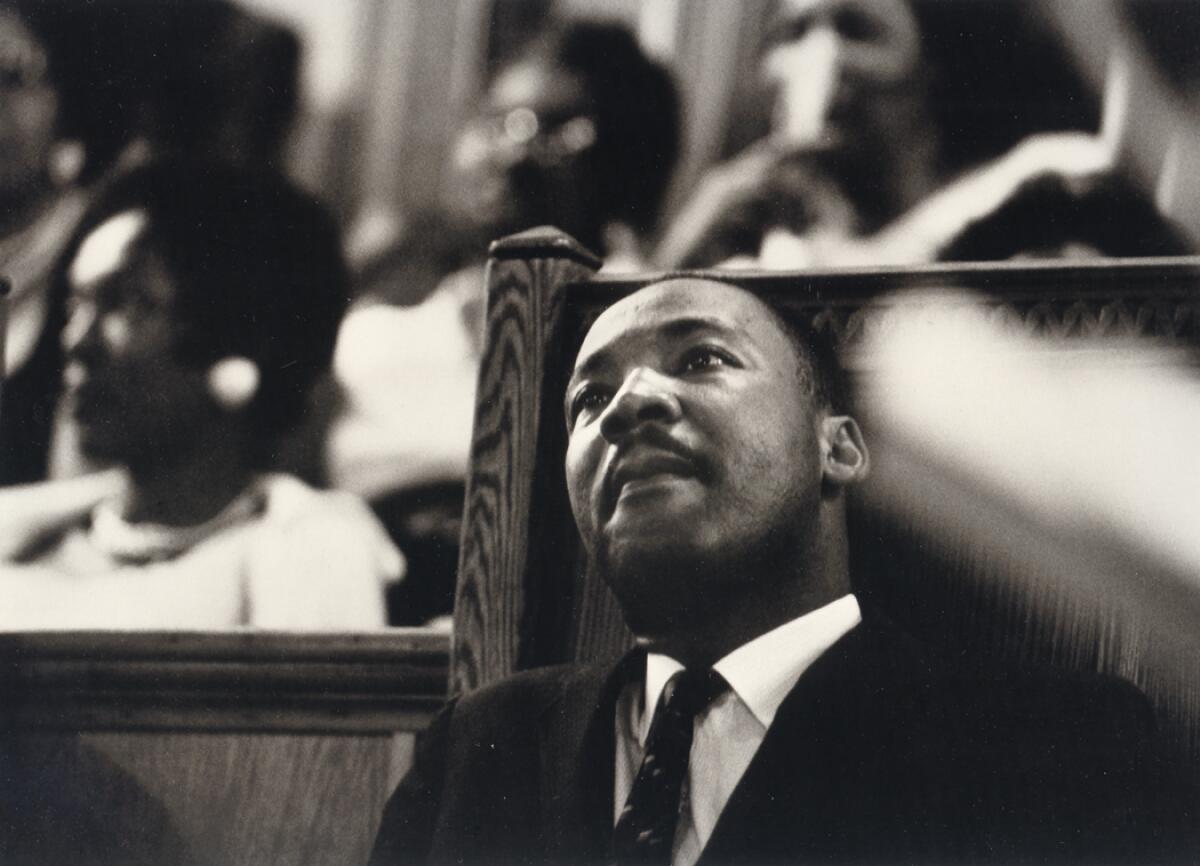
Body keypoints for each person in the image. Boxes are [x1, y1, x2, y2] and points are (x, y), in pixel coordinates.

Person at [369, 277, 1190, 863]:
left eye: (701, 360)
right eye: (590, 399)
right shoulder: (478, 750)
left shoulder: (1046, 747)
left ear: (839, 446)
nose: (627, 404)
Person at [323, 20, 681, 624]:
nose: (516, 151)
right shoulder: (383, 313)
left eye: (563, 132)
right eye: (498, 121)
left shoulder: (641, 323)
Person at [0, 158, 401, 629]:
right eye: (77, 304)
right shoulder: (24, 535)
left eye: (127, 303)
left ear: (240, 334)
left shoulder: (307, 546)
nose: (77, 341)